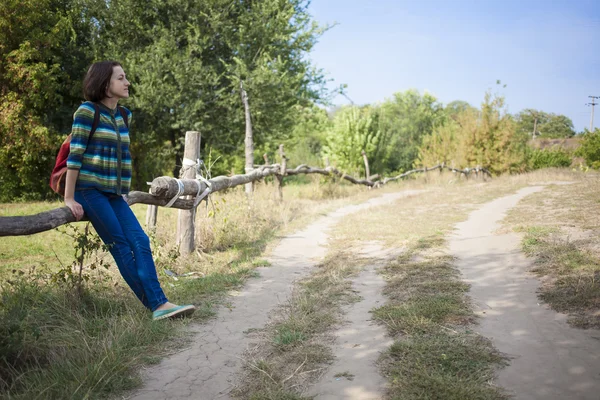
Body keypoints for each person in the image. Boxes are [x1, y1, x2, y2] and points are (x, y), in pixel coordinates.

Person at [64, 60, 195, 321]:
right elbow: (74, 156)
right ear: (105, 83)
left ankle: (160, 305)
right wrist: (69, 197)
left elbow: (123, 157)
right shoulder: (87, 112)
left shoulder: (124, 116)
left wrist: (123, 191)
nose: (127, 83)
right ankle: (158, 305)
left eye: (126, 78)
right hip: (89, 191)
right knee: (121, 245)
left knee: (141, 241)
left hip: (114, 193)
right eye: (121, 78)